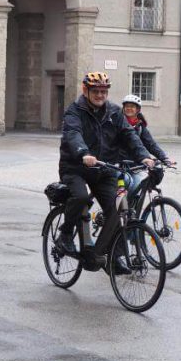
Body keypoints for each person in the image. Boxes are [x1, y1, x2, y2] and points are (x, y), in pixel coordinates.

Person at [58, 72, 154, 271]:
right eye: (96, 91)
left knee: (118, 209)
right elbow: (73, 134)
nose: (100, 95)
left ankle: (106, 256)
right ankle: (65, 235)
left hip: (102, 169)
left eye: (103, 91)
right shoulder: (74, 111)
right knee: (81, 197)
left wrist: (144, 156)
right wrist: (83, 153)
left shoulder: (114, 112)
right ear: (86, 91)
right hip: (75, 167)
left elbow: (130, 135)